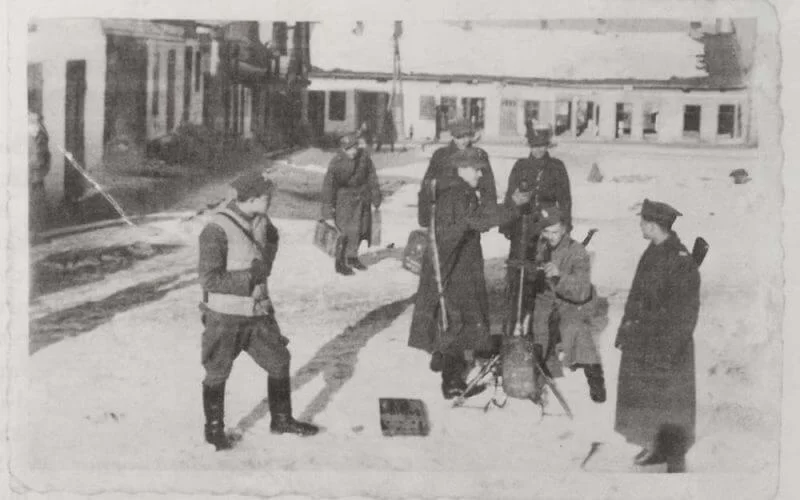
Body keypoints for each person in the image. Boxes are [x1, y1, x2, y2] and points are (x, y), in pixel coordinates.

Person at [198, 171, 319, 450]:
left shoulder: (262, 220)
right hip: (224, 317)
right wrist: (250, 277)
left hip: (257, 314)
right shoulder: (215, 230)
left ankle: (281, 420)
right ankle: (214, 431)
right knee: (217, 372)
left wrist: (267, 263)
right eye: (267, 197)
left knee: (279, 361)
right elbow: (209, 279)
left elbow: (271, 241)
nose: (271, 201)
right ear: (251, 199)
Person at [408, 148, 532, 399]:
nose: (479, 174)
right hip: (456, 267)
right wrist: (512, 207)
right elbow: (477, 220)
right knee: (456, 319)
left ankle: (447, 366)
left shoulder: (453, 190)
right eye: (476, 169)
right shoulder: (458, 193)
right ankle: (451, 382)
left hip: (454, 264)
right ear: (462, 169)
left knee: (455, 318)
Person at [614, 199, 700, 473]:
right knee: (646, 399)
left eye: (642, 222)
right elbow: (637, 293)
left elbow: (686, 313)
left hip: (667, 347)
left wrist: (668, 350)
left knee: (671, 403)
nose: (640, 225)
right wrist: (625, 329)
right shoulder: (653, 250)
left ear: (652, 226)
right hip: (643, 341)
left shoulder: (680, 260)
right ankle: (656, 448)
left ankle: (676, 463)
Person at [512, 206, 605, 403]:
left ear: (564, 229)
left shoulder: (577, 251)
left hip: (570, 302)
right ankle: (536, 380)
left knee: (577, 330)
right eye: (546, 231)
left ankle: (596, 381)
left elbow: (581, 290)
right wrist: (531, 273)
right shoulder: (540, 246)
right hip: (545, 302)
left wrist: (559, 276)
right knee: (537, 335)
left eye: (555, 232)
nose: (551, 236)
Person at [499, 127, 572, 333]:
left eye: (541, 146)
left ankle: (540, 326)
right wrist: (507, 224)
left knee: (543, 275)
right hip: (522, 228)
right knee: (518, 274)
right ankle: (515, 323)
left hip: (547, 228)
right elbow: (510, 196)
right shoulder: (520, 166)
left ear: (547, 146)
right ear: (529, 146)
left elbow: (565, 199)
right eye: (534, 146)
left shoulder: (557, 167)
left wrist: (565, 227)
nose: (538, 150)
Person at [418, 117, 498, 229]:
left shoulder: (479, 155)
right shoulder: (440, 155)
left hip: (470, 215)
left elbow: (489, 188)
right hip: (445, 216)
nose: (464, 141)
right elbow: (427, 186)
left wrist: (487, 217)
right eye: (459, 137)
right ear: (452, 136)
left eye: (468, 136)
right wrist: (424, 219)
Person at [321, 132, 382, 275]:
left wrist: (376, 196)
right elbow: (328, 188)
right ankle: (340, 262)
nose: (353, 151)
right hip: (344, 201)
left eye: (354, 148)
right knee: (344, 233)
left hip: (362, 198)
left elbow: (372, 176)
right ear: (343, 149)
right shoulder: (336, 162)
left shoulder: (364, 158)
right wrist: (327, 212)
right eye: (349, 149)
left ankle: (353, 257)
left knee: (361, 230)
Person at [28, 110, 51, 240]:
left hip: (37, 173)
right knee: (32, 202)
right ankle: (31, 235)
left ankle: (34, 234)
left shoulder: (39, 130)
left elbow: (43, 150)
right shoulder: (31, 130)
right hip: (31, 173)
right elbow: (37, 152)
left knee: (36, 203)